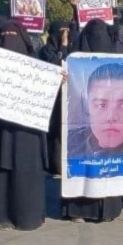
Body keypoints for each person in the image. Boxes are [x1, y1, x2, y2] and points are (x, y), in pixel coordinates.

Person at [0, 18, 49, 231]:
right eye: (4, 37)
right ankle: (0, 216)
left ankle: (27, 216)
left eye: (14, 37)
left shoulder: (36, 65)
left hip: (26, 131)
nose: (9, 41)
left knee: (25, 169)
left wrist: (55, 80)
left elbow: (45, 92)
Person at [62, 19, 123, 223]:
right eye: (93, 35)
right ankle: (77, 210)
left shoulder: (118, 61)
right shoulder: (73, 60)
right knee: (83, 161)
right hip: (82, 121)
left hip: (109, 124)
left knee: (106, 163)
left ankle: (105, 210)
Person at [39, 20, 72, 177]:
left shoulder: (70, 49)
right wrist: (64, 46)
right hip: (50, 97)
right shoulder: (46, 50)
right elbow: (57, 64)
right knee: (53, 131)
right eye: (61, 32)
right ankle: (53, 165)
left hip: (65, 97)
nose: (64, 35)